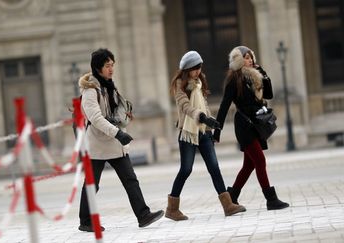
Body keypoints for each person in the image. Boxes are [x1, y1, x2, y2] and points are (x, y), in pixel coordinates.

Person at [77, 48, 164, 232]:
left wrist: (123, 115)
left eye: (112, 65)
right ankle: (85, 221)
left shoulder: (110, 86)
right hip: (97, 145)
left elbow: (112, 112)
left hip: (115, 144)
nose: (111, 69)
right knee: (92, 184)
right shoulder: (90, 91)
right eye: (107, 65)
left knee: (131, 179)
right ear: (98, 68)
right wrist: (118, 133)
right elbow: (96, 118)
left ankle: (143, 215)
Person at [166, 51, 246, 221]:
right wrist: (201, 116)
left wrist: (212, 124)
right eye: (194, 69)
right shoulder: (180, 85)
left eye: (199, 68)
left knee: (214, 167)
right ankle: (172, 209)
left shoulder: (199, 83)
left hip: (203, 132)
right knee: (186, 169)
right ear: (187, 69)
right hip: (188, 132)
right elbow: (185, 106)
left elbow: (205, 105)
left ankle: (228, 205)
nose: (197, 71)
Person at [213, 46, 289, 210]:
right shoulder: (234, 80)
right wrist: (217, 130)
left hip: (256, 124)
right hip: (244, 125)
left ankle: (232, 195)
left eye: (251, 57)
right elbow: (224, 105)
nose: (250, 60)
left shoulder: (255, 77)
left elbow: (268, 95)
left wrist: (263, 74)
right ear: (239, 60)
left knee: (249, 165)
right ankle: (271, 199)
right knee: (260, 160)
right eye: (246, 57)